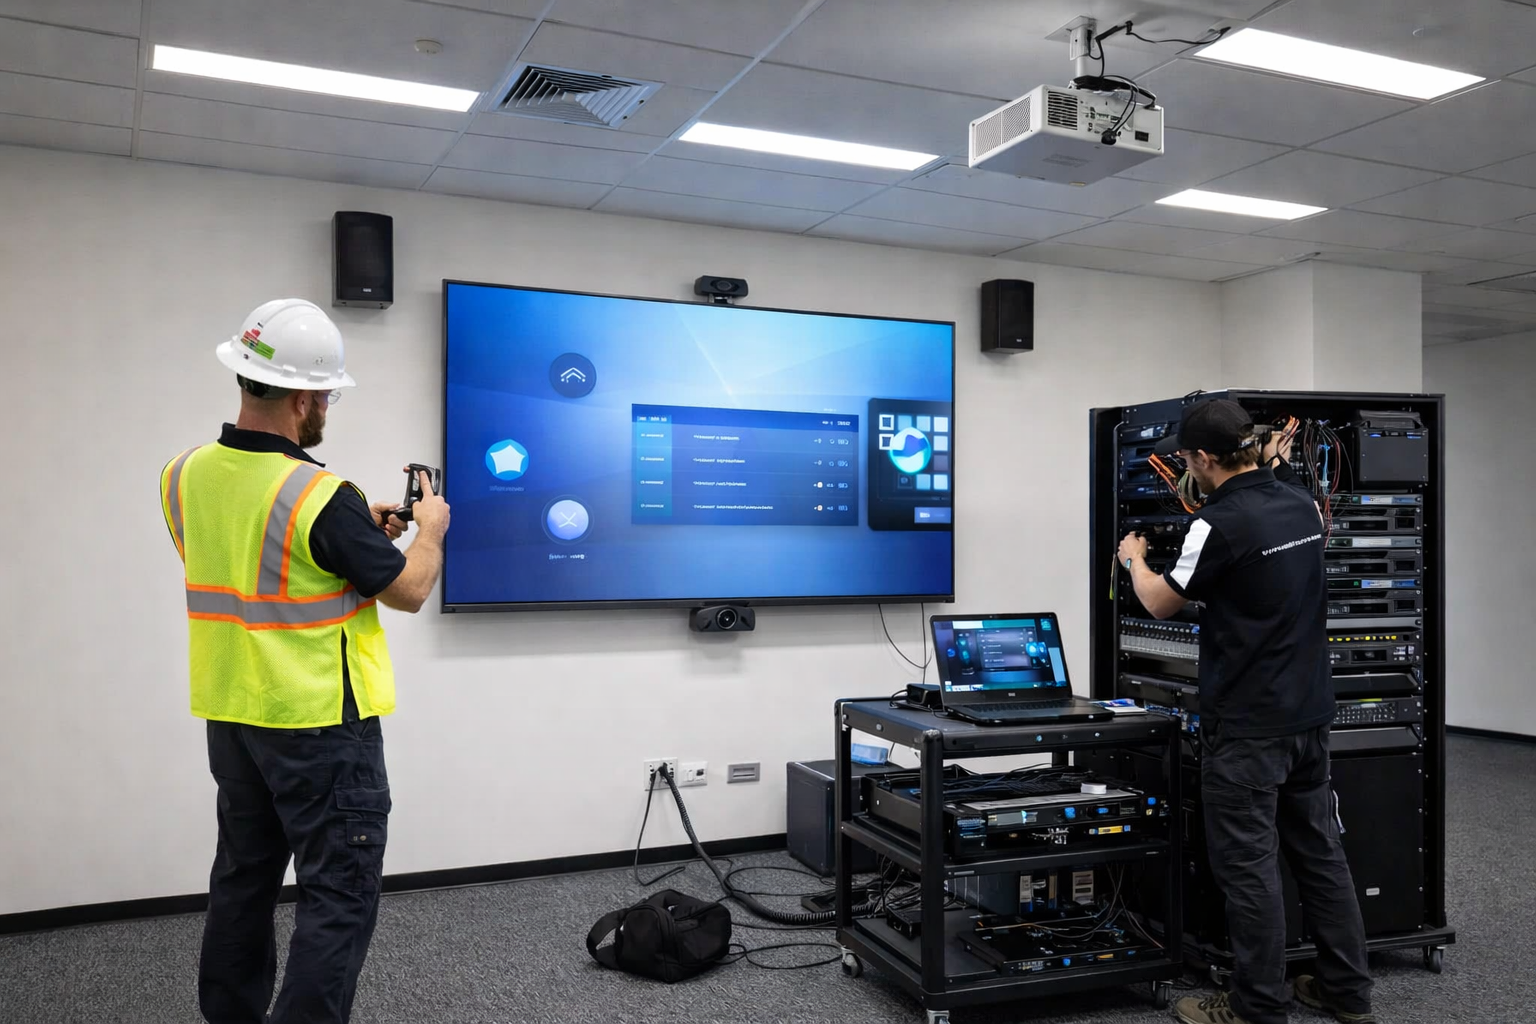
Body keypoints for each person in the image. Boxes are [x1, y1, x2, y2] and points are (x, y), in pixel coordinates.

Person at [159, 299, 450, 1024]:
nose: (326, 409)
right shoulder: (321, 495)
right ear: (302, 397)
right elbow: (410, 589)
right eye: (326, 396)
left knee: (243, 881)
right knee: (339, 894)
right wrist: (430, 533)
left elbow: (263, 567)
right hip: (321, 725)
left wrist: (365, 535)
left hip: (233, 717)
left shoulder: (183, 474)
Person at [1115, 399, 1374, 1024]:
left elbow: (1158, 605)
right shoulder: (1300, 505)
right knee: (1321, 856)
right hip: (1309, 717)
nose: (1185, 468)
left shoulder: (1218, 524)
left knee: (1249, 871)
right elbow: (1274, 484)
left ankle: (1258, 1007)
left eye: (1186, 459)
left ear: (1204, 458)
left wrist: (1133, 559)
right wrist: (1275, 461)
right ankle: (1347, 993)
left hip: (1249, 728)